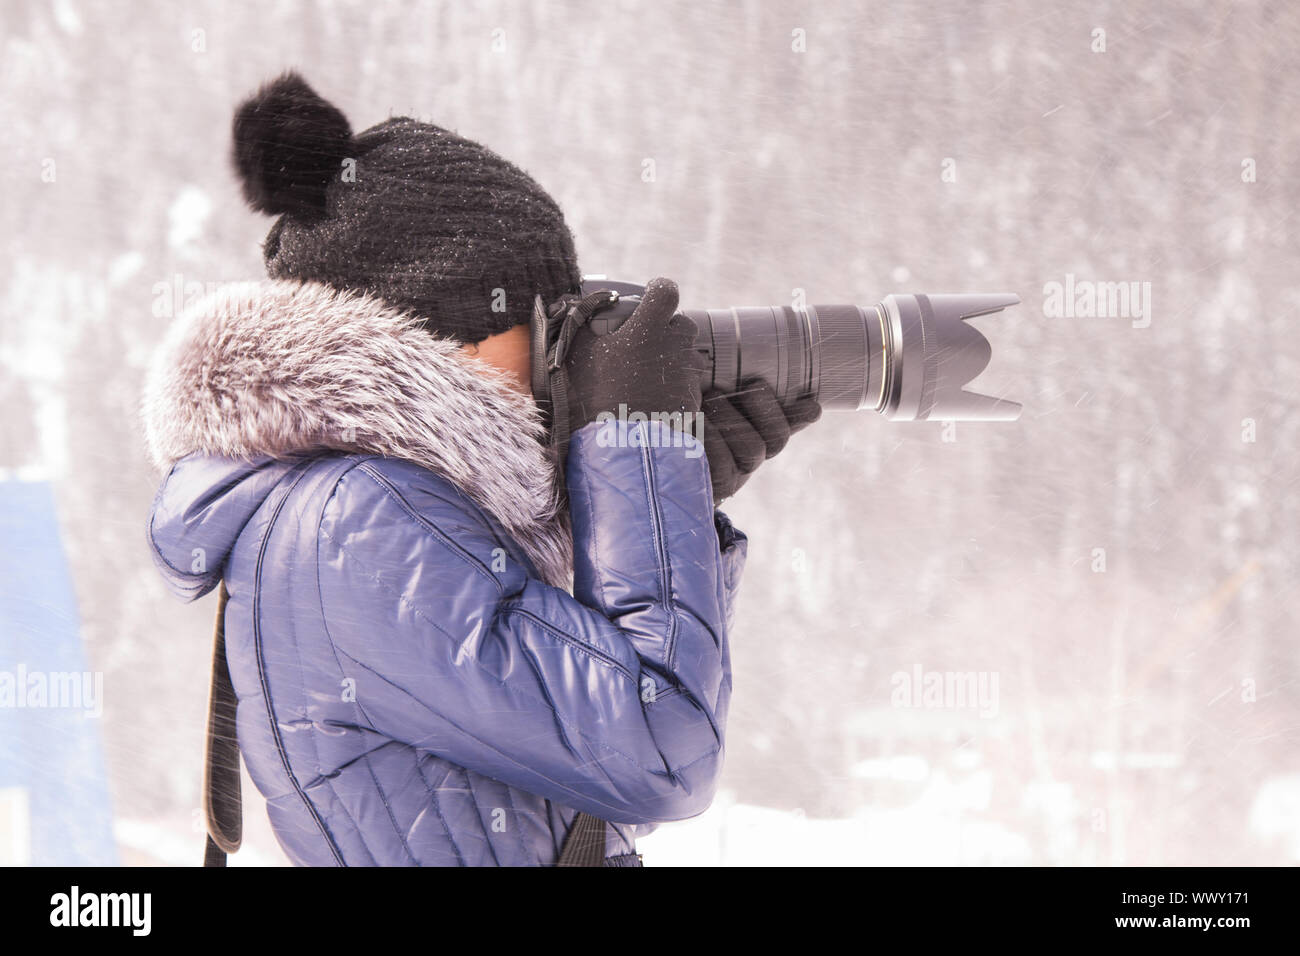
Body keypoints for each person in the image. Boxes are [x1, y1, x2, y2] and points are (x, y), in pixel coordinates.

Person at [142, 71, 818, 866]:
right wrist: (635, 450)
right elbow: (659, 750)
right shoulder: (353, 526)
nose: (558, 354)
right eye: (543, 315)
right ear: (451, 331)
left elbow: (573, 773)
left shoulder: (347, 507)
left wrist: (664, 509)